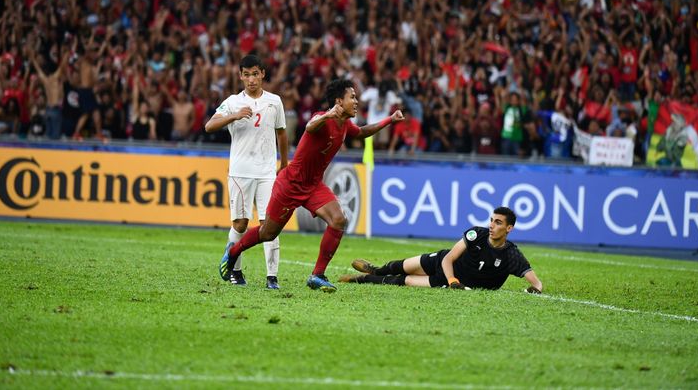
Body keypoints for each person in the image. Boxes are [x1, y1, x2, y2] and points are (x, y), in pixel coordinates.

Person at [219, 78, 404, 292]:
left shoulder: (345, 125)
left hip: (313, 186)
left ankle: (317, 274)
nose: (356, 101)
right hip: (290, 184)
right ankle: (233, 252)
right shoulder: (322, 118)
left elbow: (362, 132)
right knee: (268, 233)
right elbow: (310, 126)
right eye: (352, 97)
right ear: (338, 101)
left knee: (338, 219)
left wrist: (389, 119)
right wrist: (327, 114)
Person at [205, 55, 289, 289]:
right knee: (241, 224)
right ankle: (236, 271)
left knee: (269, 225)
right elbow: (209, 126)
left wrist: (284, 164)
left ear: (263, 74)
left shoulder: (274, 101)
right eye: (246, 74)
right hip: (240, 172)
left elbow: (281, 133)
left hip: (266, 172)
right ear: (240, 76)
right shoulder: (232, 102)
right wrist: (233, 115)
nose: (251, 79)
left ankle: (272, 277)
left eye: (255, 73)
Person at [340, 206, 543, 293]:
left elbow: (536, 283)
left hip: (446, 282)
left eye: (498, 223)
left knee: (403, 281)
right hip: (443, 264)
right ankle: (375, 269)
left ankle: (361, 279)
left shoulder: (511, 255)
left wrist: (534, 289)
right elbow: (449, 259)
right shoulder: (476, 234)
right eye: (491, 220)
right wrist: (452, 280)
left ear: (509, 228)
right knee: (401, 266)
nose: (491, 225)